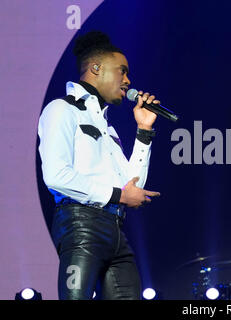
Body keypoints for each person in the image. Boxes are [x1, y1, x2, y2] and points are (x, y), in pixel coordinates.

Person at [38, 31, 161, 300]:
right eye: (122, 71)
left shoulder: (107, 129)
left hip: (116, 229)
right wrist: (119, 195)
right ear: (96, 68)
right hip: (81, 226)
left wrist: (144, 130)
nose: (128, 81)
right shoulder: (61, 110)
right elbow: (56, 175)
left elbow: (132, 186)